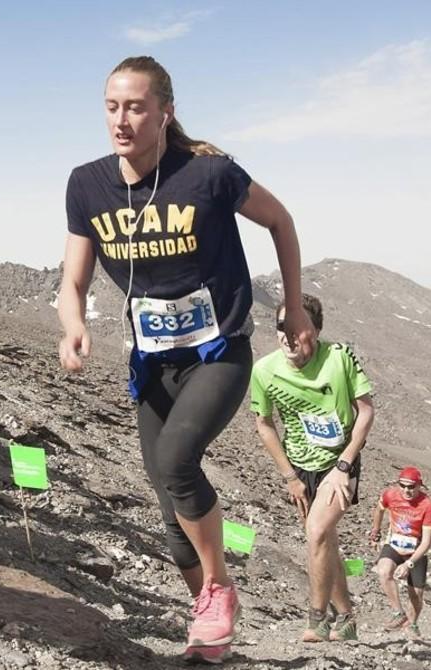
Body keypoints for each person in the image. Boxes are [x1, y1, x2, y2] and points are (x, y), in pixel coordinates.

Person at [57, 55, 316, 665]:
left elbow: (280, 220)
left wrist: (295, 308)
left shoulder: (208, 175)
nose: (122, 120)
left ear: (164, 111)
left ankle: (220, 587)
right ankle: (212, 641)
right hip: (154, 365)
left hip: (219, 352)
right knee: (171, 508)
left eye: (136, 107)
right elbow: (72, 281)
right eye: (112, 106)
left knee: (178, 461)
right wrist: (72, 327)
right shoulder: (87, 183)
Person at [249, 293, 374, 643]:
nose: (288, 335)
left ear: (315, 332)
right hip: (301, 466)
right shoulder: (264, 371)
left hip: (339, 460)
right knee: (325, 541)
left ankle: (317, 619)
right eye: (281, 327)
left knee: (317, 531)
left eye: (298, 328)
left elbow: (365, 412)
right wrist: (289, 475)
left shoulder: (339, 358)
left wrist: (345, 464)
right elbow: (264, 422)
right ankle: (346, 618)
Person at [368, 466, 431, 640]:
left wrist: (410, 563)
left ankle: (412, 624)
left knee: (416, 594)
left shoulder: (427, 505)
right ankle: (398, 613)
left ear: (419, 485)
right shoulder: (390, 495)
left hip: (416, 551)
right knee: (383, 571)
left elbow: (427, 542)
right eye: (403, 485)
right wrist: (375, 532)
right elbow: (379, 509)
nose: (407, 490)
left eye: (411, 486)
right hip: (395, 544)